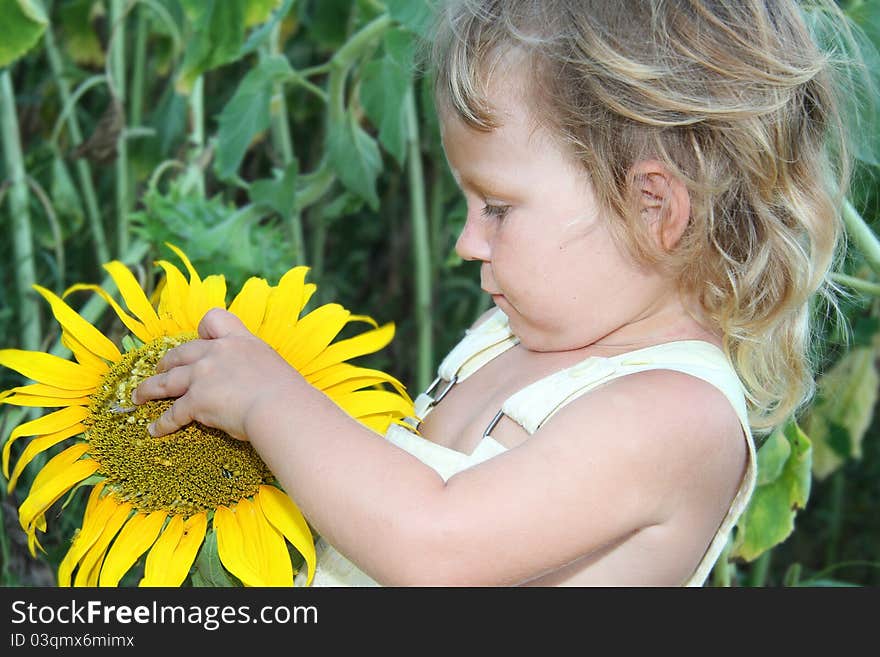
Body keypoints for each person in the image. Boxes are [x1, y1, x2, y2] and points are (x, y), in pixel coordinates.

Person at [132, 0, 855, 586]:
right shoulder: (513, 334)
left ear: (653, 206)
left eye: (498, 208)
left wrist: (270, 400)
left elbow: (435, 544)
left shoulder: (676, 415)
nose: (467, 242)